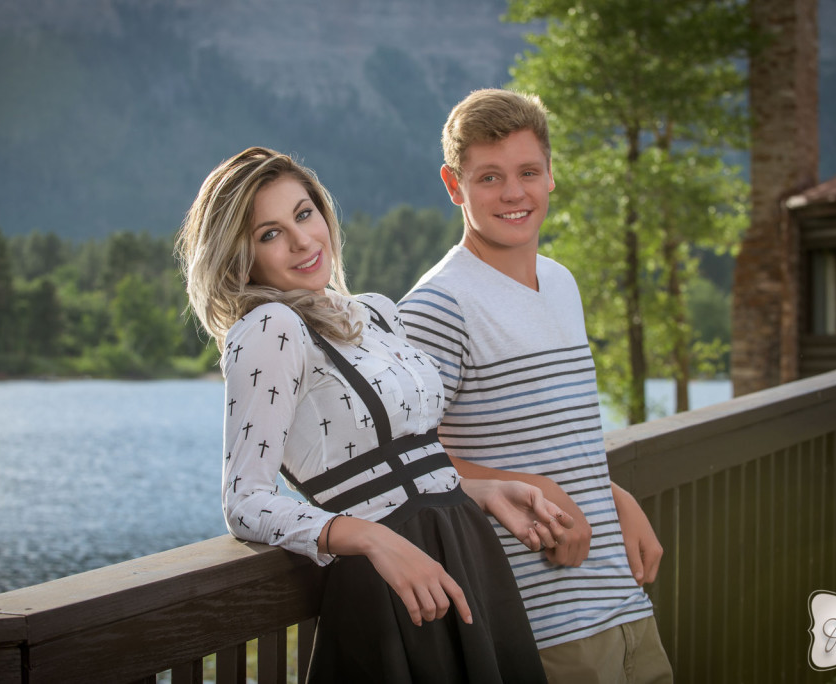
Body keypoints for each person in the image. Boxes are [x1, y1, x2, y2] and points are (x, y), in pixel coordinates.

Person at [175, 146, 575, 683]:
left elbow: (405, 465)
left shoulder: (377, 313)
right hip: (391, 583)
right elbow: (245, 501)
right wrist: (371, 538)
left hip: (464, 552)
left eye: (304, 214)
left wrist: (484, 491)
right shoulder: (269, 328)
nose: (301, 241)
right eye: (269, 234)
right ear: (240, 257)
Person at [398, 89, 674, 683]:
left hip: (622, 600)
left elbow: (551, 438)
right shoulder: (436, 307)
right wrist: (529, 486)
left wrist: (613, 498)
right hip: (541, 624)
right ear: (454, 186)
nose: (514, 193)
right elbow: (400, 461)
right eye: (489, 177)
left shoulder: (562, 283)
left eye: (528, 172)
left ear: (552, 175)